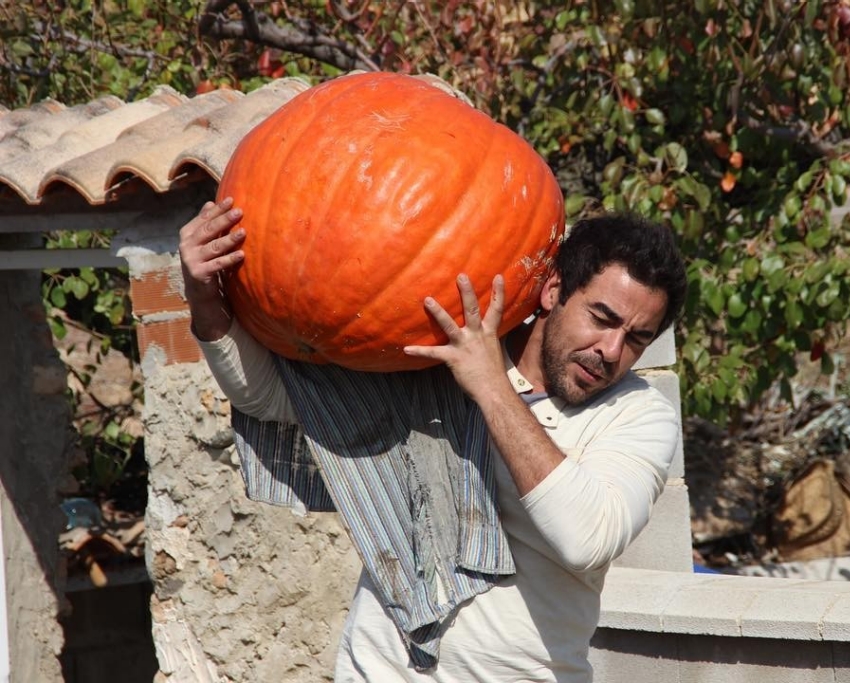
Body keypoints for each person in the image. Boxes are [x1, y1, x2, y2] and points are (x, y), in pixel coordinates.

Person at [178, 196, 687, 682]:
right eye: (602, 319)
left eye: (637, 338)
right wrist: (203, 296)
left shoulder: (638, 415)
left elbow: (586, 540)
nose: (612, 350)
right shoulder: (438, 360)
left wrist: (490, 385)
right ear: (553, 289)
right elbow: (269, 401)